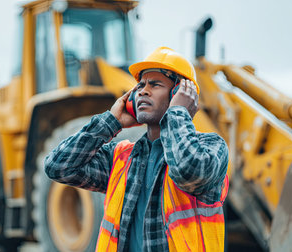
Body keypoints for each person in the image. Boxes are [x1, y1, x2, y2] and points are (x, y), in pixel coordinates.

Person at [44, 46, 229, 251]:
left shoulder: (212, 147)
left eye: (155, 84)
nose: (143, 91)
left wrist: (177, 113)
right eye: (140, 85)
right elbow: (58, 166)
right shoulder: (121, 158)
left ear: (180, 93)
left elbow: (188, 171)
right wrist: (110, 122)